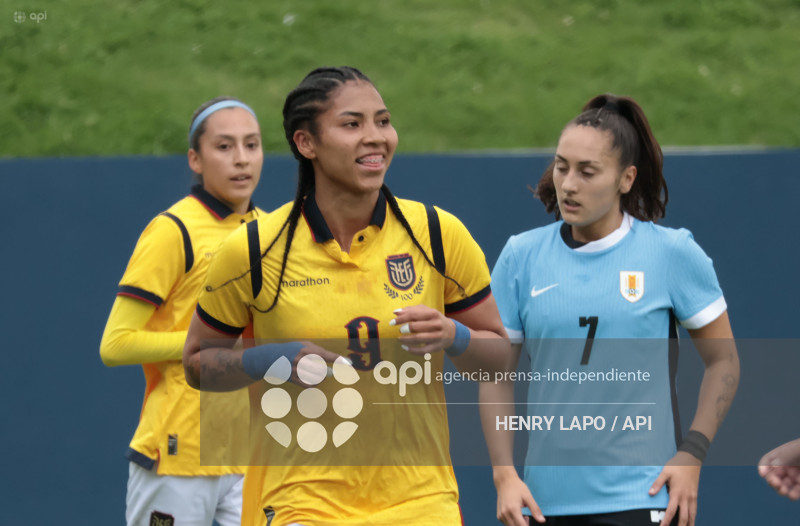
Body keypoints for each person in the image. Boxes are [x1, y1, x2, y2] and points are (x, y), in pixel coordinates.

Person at [182, 66, 509, 526]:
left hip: (421, 504)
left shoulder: (437, 234)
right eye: (352, 124)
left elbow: (502, 360)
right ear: (306, 144)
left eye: (383, 121)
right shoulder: (255, 250)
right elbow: (197, 363)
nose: (376, 137)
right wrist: (269, 360)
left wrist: (454, 335)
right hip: (301, 503)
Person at [481, 94, 740, 526]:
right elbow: (495, 376)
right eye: (562, 166)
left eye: (587, 171)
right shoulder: (520, 256)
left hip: (644, 496)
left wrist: (692, 453)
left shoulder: (672, 252)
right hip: (544, 505)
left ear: (626, 178)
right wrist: (504, 475)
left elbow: (724, 360)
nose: (568, 184)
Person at [100, 96, 264, 525]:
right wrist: (208, 345)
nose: (241, 159)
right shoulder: (172, 231)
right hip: (179, 451)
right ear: (195, 158)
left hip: (252, 451)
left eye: (252, 144)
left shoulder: (273, 232)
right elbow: (115, 345)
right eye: (224, 147)